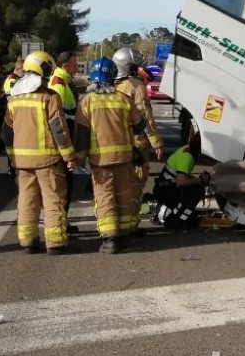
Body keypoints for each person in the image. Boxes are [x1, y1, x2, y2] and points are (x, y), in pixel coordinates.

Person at [1, 50, 76, 255]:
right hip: (48, 160)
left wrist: (11, 156)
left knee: (27, 199)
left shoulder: (14, 99)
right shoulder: (49, 97)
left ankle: (27, 240)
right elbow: (59, 130)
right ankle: (55, 242)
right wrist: (69, 156)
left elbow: (6, 131)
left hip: (22, 162)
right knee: (53, 199)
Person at [73, 57, 148, 254]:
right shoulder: (123, 98)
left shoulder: (87, 102)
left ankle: (109, 239)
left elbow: (81, 134)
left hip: (100, 162)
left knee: (105, 197)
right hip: (124, 158)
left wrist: (79, 158)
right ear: (113, 76)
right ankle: (124, 234)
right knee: (124, 195)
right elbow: (140, 124)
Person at [112, 47, 164, 235]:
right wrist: (156, 141)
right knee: (134, 185)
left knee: (113, 187)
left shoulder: (109, 84)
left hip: (113, 145)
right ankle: (129, 226)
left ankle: (112, 225)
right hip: (135, 144)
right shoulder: (136, 86)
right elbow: (144, 117)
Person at [49, 51, 80, 231]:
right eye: (75, 65)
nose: (77, 67)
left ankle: (62, 221)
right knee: (63, 185)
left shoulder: (66, 81)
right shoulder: (58, 84)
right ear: (65, 65)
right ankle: (60, 223)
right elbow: (58, 118)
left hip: (66, 137)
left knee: (66, 184)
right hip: (63, 140)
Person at [153, 132, 210, 228]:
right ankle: (176, 219)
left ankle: (176, 214)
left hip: (164, 187)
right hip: (166, 190)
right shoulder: (187, 157)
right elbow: (181, 182)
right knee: (198, 190)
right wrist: (200, 180)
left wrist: (198, 179)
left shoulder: (186, 150)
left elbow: (180, 176)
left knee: (194, 218)